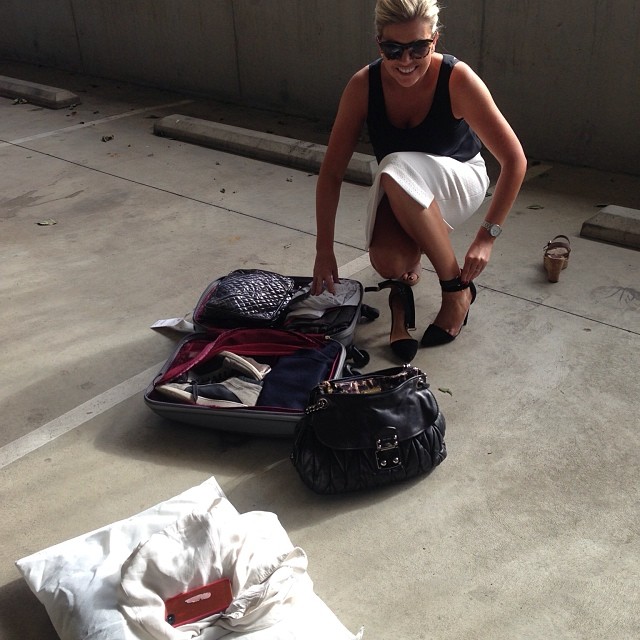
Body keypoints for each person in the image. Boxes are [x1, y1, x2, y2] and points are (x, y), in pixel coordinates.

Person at [311, 0, 527, 362]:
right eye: (393, 50)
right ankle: (419, 244)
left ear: (435, 40)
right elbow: (332, 173)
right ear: (379, 44)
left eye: (418, 48)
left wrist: (487, 237)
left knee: (394, 166)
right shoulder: (364, 85)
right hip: (404, 188)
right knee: (388, 261)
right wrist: (323, 250)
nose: (406, 61)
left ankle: (456, 289)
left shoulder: (457, 78)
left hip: (460, 179)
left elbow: (515, 161)